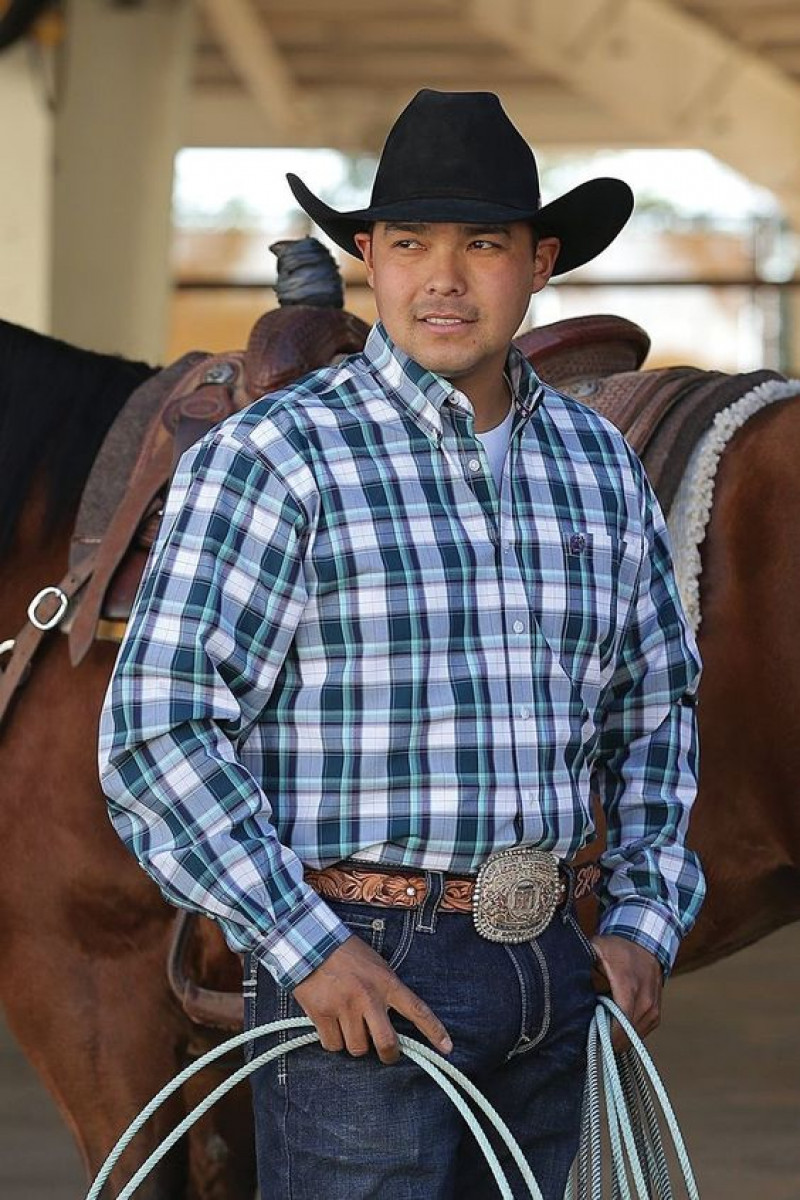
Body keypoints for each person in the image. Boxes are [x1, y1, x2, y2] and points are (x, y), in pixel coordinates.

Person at [99, 89, 705, 1200]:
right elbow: (159, 730)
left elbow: (653, 711)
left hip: (555, 966)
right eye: (410, 242)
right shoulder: (277, 457)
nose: (443, 277)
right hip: (362, 965)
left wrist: (638, 921)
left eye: (482, 244)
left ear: (538, 262)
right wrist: (307, 949)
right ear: (368, 257)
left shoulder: (596, 464)